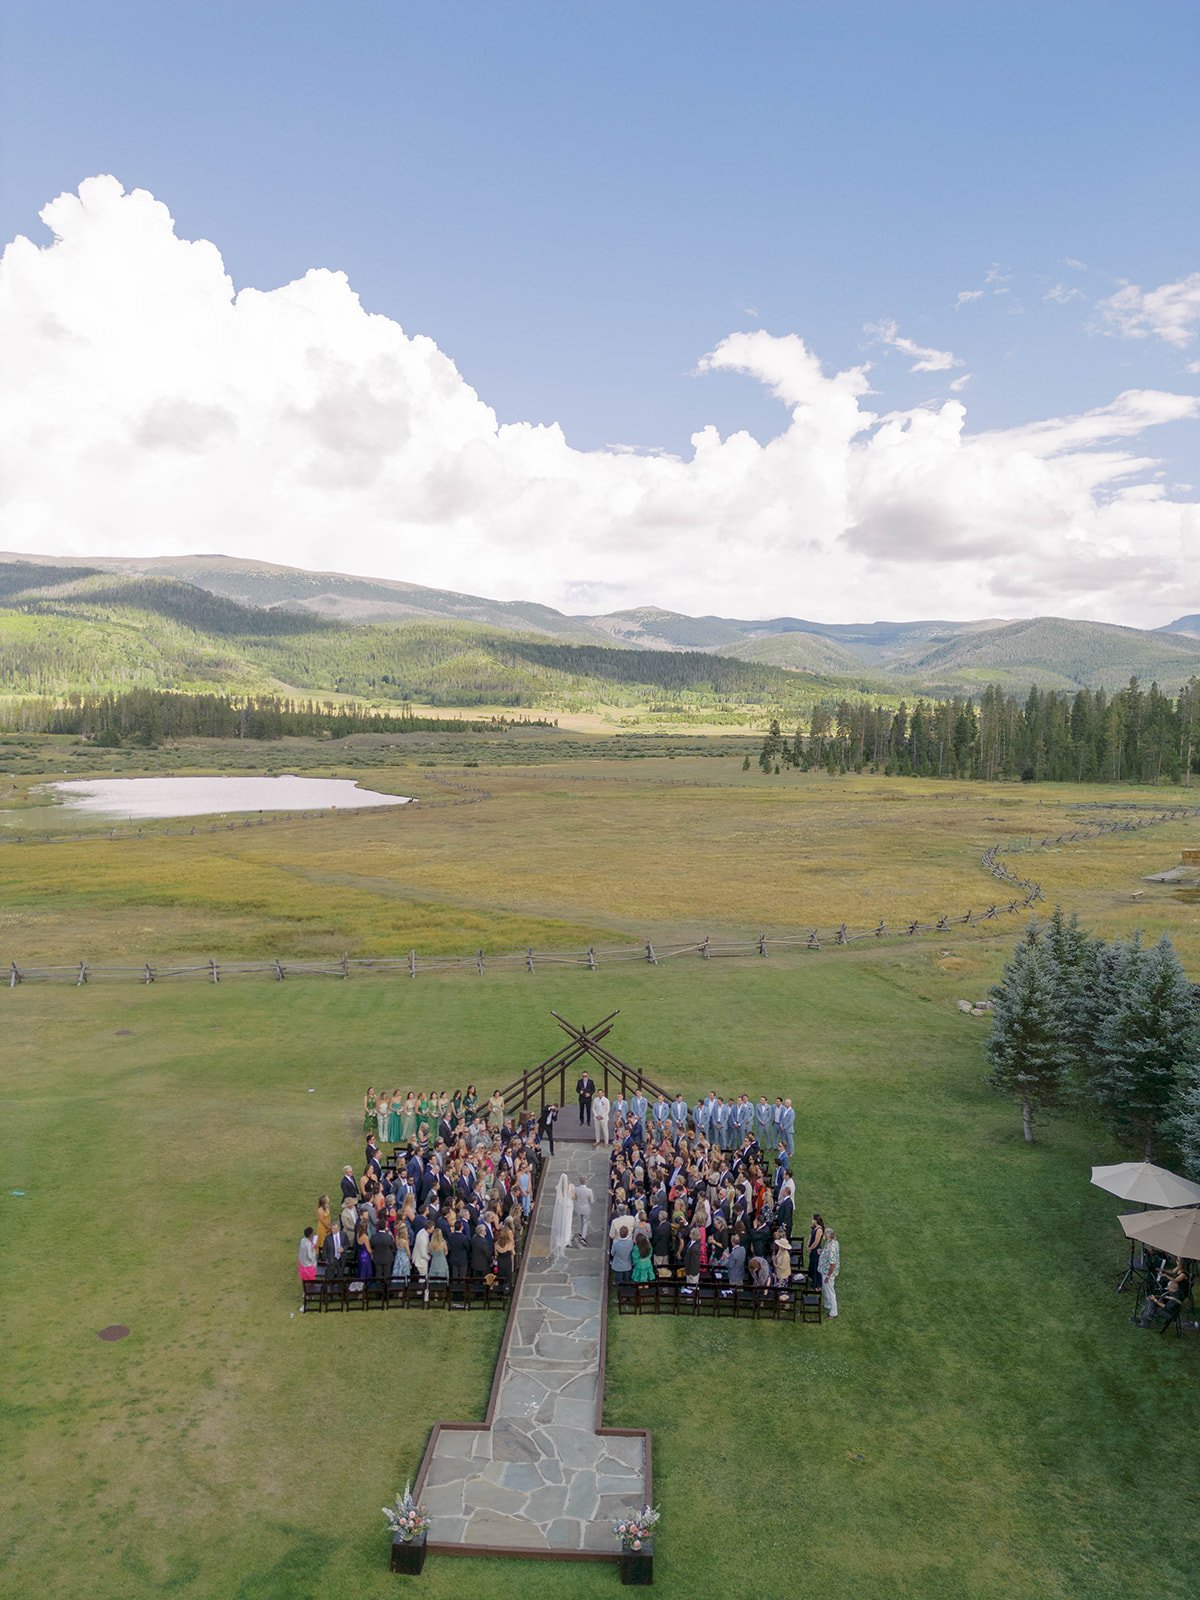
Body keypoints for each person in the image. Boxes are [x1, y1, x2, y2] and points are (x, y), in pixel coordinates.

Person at [550, 1172, 574, 1263]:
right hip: (568, 1207)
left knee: (561, 1223)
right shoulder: (571, 1186)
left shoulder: (558, 1188)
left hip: (561, 1207)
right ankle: (566, 1240)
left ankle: (560, 1239)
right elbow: (573, 1196)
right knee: (567, 1223)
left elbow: (558, 1198)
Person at [818, 1229, 840, 1317]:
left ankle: (833, 1312)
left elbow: (833, 1264)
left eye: (825, 1235)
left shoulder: (832, 1248)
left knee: (830, 1291)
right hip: (824, 1270)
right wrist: (822, 1251)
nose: (824, 1236)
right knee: (825, 1288)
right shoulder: (831, 1242)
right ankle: (827, 1304)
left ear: (829, 1235)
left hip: (828, 1273)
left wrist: (828, 1276)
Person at [573, 1177, 594, 1245]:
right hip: (586, 1208)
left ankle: (580, 1232)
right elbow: (591, 1201)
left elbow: (575, 1197)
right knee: (585, 1222)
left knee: (579, 1220)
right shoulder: (589, 1190)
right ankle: (583, 1237)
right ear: (586, 1182)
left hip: (578, 1207)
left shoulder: (576, 1189)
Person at [807, 1214, 825, 1287]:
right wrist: (808, 1245)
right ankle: (812, 1279)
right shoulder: (814, 1228)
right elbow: (811, 1237)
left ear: (815, 1220)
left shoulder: (819, 1230)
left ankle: (817, 1283)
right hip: (812, 1249)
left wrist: (810, 1248)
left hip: (816, 1250)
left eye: (812, 1219)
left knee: (816, 1266)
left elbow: (816, 1242)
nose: (811, 1221)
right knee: (812, 1264)